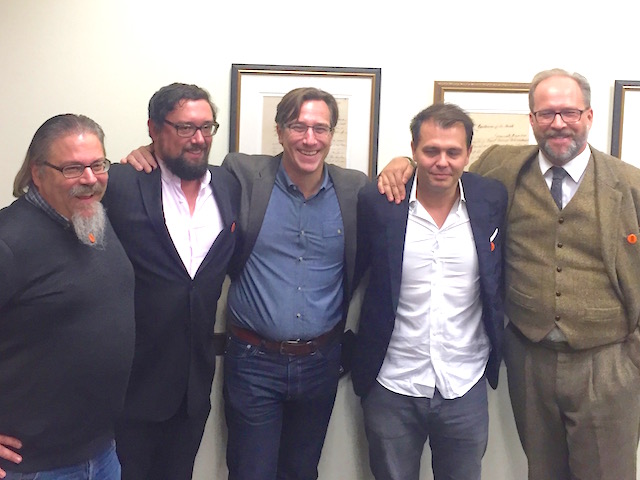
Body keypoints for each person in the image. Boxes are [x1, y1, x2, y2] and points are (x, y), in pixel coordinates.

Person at [378, 68, 640, 480]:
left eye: (569, 112)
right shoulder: (503, 166)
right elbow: (445, 165)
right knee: (542, 471)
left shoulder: (629, 185)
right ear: (532, 120)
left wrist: (633, 359)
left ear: (589, 116)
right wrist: (404, 164)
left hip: (607, 362)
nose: (558, 123)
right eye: (546, 113)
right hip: (530, 359)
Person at [124, 86, 368, 480]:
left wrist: (404, 163)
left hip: (321, 361)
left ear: (331, 134)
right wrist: (147, 150)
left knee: (302, 472)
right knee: (250, 472)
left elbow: (403, 192)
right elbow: (184, 154)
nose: (310, 139)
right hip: (254, 361)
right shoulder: (243, 175)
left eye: (320, 128)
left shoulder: (354, 188)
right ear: (279, 131)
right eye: (298, 126)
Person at [352, 103, 507, 480]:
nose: (442, 162)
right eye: (430, 150)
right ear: (413, 150)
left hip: (464, 382)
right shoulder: (380, 201)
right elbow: (354, 271)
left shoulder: (491, 198)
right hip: (393, 381)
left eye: (453, 152)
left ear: (468, 153)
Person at [102, 83, 240, 480]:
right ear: (153, 128)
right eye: (184, 128)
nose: (198, 139)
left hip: (192, 390)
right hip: (128, 388)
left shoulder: (229, 186)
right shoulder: (121, 183)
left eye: (206, 127)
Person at [0, 114, 135, 479]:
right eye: (72, 168)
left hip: (101, 453)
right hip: (33, 467)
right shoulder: (9, 241)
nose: (89, 179)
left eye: (98, 165)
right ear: (37, 172)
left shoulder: (91, 219)